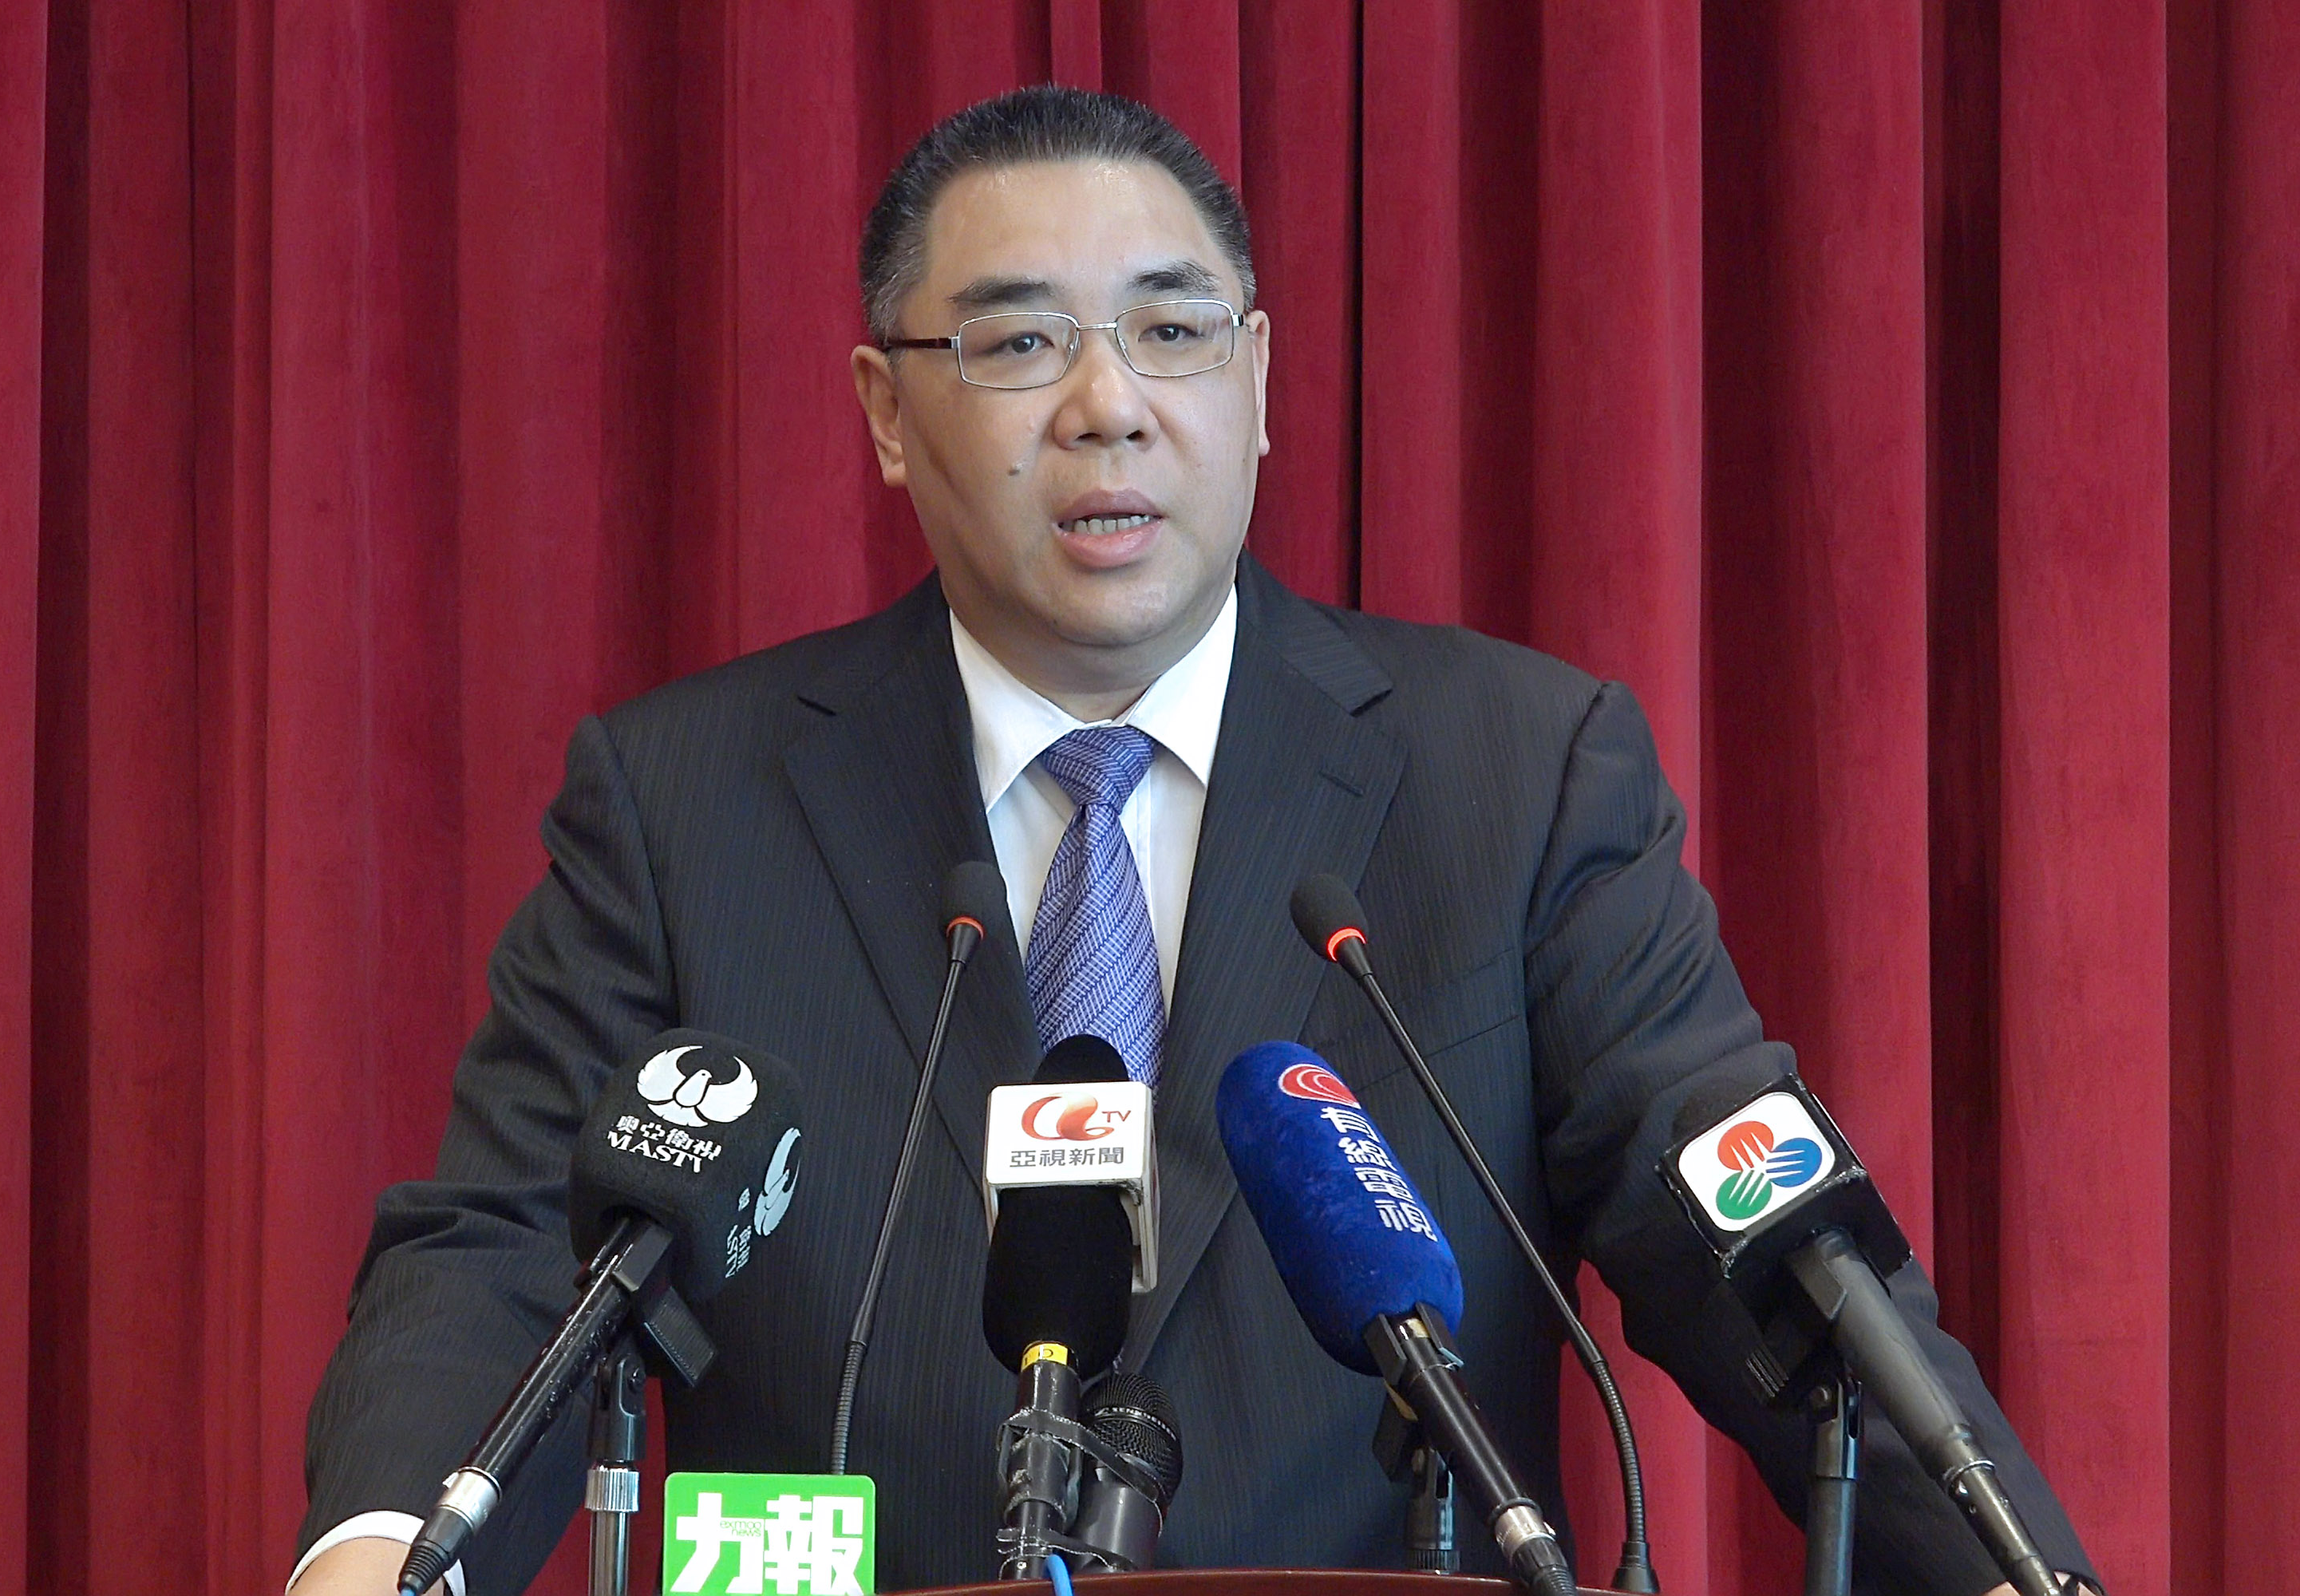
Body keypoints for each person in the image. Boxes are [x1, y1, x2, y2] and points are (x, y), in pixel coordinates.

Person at [292, 87, 2099, 1596]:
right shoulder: (687, 801)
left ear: (1259, 380)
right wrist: (383, 1554)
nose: (1109, 403)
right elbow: (508, 1252)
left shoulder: (1517, 774)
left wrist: (2020, 1570)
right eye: (1018, 342)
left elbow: (1762, 1255)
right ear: (886, 414)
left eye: (1172, 331)